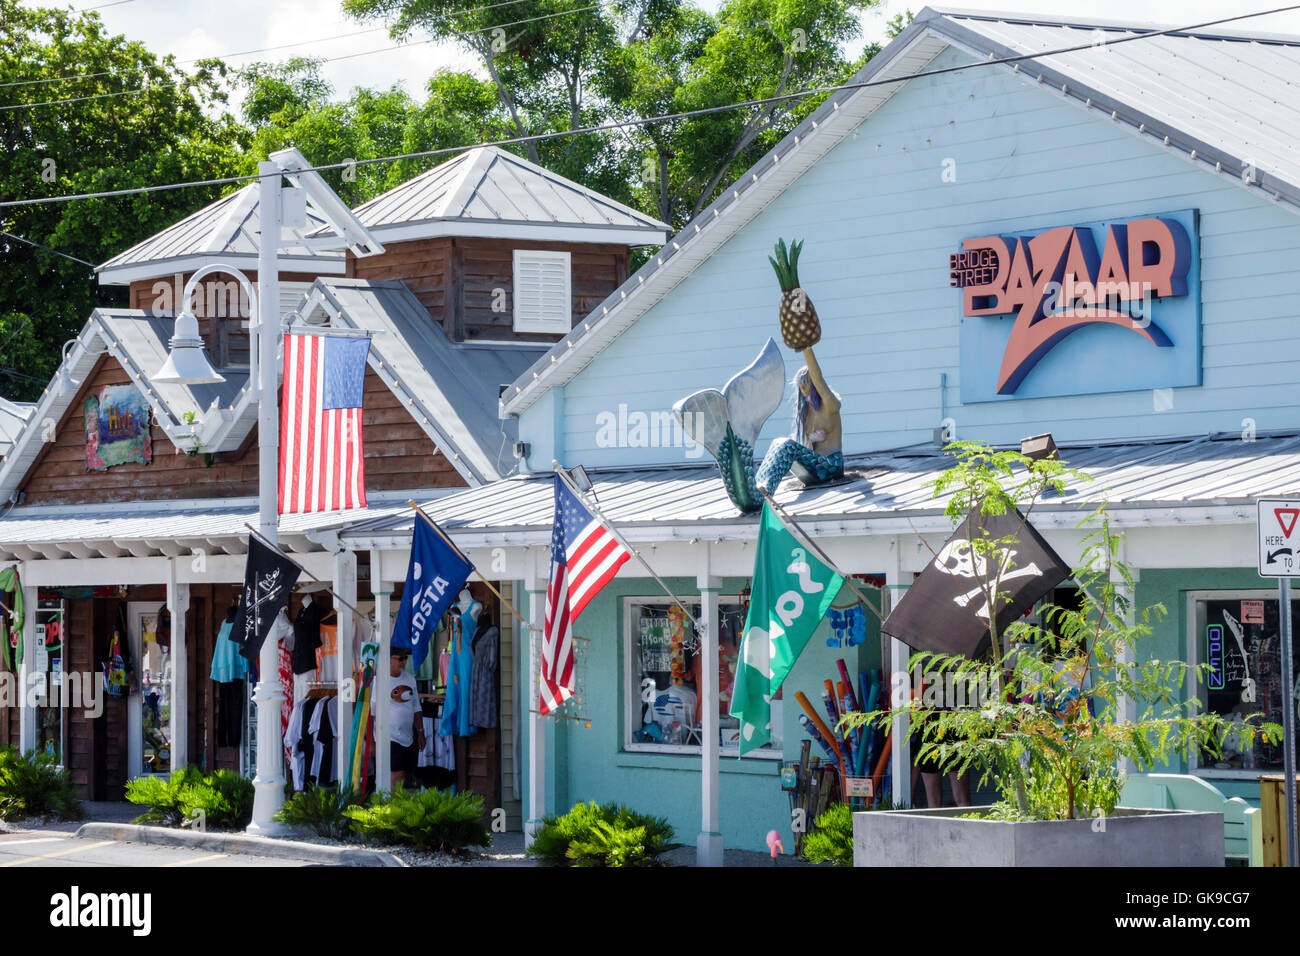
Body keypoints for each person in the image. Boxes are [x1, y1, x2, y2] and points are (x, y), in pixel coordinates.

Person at [756, 346, 845, 494]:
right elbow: (807, 449)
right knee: (778, 442)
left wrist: (806, 347)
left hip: (831, 465)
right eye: (801, 385)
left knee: (786, 445)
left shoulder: (831, 405)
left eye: (807, 384)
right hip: (817, 465)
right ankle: (758, 485)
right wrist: (811, 440)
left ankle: (766, 489)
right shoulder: (806, 412)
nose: (803, 389)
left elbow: (818, 377)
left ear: (814, 385)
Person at [373, 648, 424, 789]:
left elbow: (416, 708)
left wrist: (420, 732)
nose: (404, 662)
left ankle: (395, 803)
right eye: (400, 659)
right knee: (397, 773)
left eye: (406, 658)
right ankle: (392, 806)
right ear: (389, 659)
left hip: (408, 737)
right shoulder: (379, 679)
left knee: (404, 775)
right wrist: (370, 741)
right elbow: (371, 712)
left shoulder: (410, 678)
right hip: (389, 736)